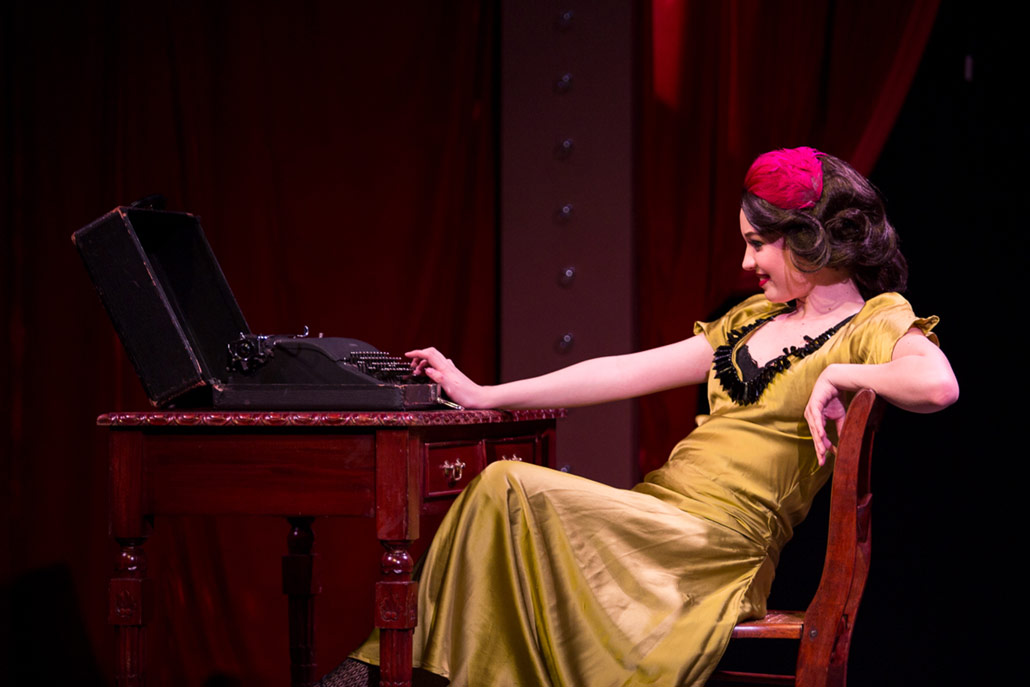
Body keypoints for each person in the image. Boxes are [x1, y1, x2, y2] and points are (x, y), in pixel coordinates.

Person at [325, 147, 958, 687]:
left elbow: (937, 384)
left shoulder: (872, 322)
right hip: (657, 518)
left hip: (716, 551)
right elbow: (622, 370)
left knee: (506, 485)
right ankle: (410, 672)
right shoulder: (752, 319)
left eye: (757, 244)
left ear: (808, 238)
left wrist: (842, 372)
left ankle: (396, 672)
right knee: (504, 501)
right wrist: (485, 393)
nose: (746, 263)